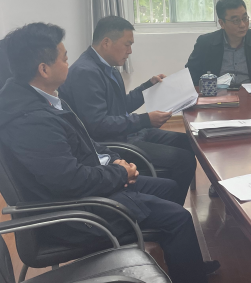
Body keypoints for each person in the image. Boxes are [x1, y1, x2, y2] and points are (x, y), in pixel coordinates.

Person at [0, 23, 243, 283]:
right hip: (79, 212)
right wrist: (118, 173)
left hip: (92, 186)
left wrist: (112, 160)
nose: (69, 63)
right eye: (64, 58)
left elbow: (83, 141)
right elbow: (69, 181)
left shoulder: (39, 99)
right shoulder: (32, 121)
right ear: (43, 69)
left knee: (168, 188)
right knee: (178, 218)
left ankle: (183, 260)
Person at [59, 16, 196, 203]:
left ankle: (168, 202)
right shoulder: (86, 72)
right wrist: (145, 120)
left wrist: (148, 86)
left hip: (128, 133)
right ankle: (172, 208)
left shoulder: (107, 66)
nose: (130, 51)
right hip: (114, 143)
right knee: (184, 160)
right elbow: (97, 125)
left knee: (187, 141)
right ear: (106, 42)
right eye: (127, 44)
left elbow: (120, 105)